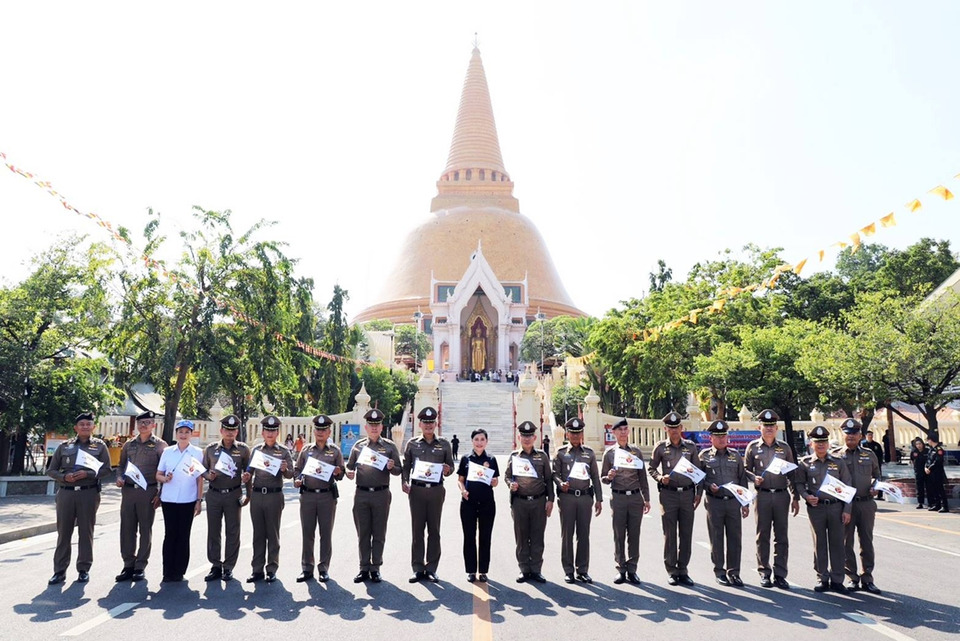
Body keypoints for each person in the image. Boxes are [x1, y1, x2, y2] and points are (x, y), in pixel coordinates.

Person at [47, 411, 113, 585]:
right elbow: (51, 470)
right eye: (81, 424)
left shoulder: (100, 446)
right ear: (75, 428)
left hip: (88, 493)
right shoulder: (64, 446)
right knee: (64, 533)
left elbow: (107, 469)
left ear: (93, 427)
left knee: (86, 532)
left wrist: (88, 474)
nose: (85, 427)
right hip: (66, 493)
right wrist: (64, 477)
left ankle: (83, 569)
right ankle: (59, 571)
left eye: (88, 424)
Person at [743, 409, 799, 589]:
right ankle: (764, 572)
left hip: (782, 495)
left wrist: (795, 497)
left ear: (776, 428)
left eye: (772, 426)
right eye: (765, 425)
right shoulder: (752, 447)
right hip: (763, 495)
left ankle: (780, 574)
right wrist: (754, 478)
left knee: (781, 536)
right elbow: (745, 470)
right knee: (763, 535)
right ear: (759, 427)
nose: (769, 428)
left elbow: (792, 473)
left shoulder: (785, 448)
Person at [345, 408, 402, 583]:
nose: (374, 428)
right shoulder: (358, 446)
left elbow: (399, 470)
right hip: (361, 493)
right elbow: (349, 466)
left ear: (381, 427)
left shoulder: (390, 446)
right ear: (366, 427)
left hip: (381, 494)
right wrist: (348, 472)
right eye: (371, 425)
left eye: (377, 424)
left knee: (379, 532)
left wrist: (392, 467)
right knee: (363, 532)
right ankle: (363, 567)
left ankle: (375, 567)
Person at [794, 425, 852, 593]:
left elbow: (848, 486)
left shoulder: (838, 462)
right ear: (811, 444)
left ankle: (837, 579)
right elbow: (799, 483)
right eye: (817, 442)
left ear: (828, 444)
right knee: (819, 543)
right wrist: (806, 496)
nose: (821, 445)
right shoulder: (805, 463)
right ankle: (822, 577)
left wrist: (847, 509)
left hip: (836, 507)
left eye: (823, 442)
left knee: (837, 544)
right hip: (816, 508)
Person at [648, 411, 703, 586]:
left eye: (677, 427)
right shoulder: (660, 447)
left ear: (682, 428)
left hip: (687, 494)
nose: (674, 431)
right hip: (668, 495)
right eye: (671, 428)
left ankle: (683, 570)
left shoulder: (691, 447)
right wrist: (660, 478)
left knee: (686, 533)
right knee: (670, 534)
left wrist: (698, 493)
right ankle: (672, 570)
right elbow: (651, 468)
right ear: (666, 429)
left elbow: (698, 472)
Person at [402, 406, 454, 583]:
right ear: (420, 424)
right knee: (417, 530)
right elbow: (406, 466)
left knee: (434, 530)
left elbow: (450, 467)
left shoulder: (444, 444)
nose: (428, 425)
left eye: (431, 422)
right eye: (425, 422)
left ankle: (431, 568)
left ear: (435, 424)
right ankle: (418, 568)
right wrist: (404, 482)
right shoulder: (412, 443)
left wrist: (447, 470)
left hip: (436, 491)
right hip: (416, 491)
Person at [115, 410, 166, 582]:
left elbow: (165, 470)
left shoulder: (160, 445)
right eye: (141, 422)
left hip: (148, 491)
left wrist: (160, 493)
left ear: (153, 425)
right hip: (129, 491)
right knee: (127, 529)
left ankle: (140, 566)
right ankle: (128, 564)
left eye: (147, 422)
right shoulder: (128, 445)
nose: (143, 425)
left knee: (145, 528)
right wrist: (119, 478)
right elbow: (121, 466)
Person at [243, 415, 294, 583]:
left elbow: (291, 474)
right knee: (258, 534)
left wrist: (285, 469)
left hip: (274, 495)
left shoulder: (284, 451)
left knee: (272, 533)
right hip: (257, 495)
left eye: (273, 431)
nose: (270, 434)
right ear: (263, 433)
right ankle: (257, 570)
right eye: (267, 431)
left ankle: (271, 569)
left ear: (277, 433)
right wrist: (246, 476)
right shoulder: (257, 450)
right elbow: (250, 470)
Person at [201, 414, 251, 582]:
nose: (230, 433)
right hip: (214, 494)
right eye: (227, 429)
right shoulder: (211, 449)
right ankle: (215, 565)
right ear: (221, 430)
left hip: (233, 494)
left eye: (233, 430)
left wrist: (248, 494)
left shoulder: (243, 449)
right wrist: (209, 476)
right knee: (213, 531)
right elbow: (202, 470)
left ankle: (228, 567)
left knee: (233, 531)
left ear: (237, 432)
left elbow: (248, 473)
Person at [294, 414, 344, 583]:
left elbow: (341, 473)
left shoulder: (335, 451)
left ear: (329, 432)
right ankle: (307, 568)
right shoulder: (306, 450)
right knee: (307, 533)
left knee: (325, 533)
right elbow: (297, 469)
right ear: (313, 431)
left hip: (326, 496)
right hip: (307, 495)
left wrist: (338, 472)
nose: (320, 432)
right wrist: (297, 479)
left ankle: (323, 568)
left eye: (324, 429)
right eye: (318, 429)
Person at [600, 418, 650, 585]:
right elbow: (603, 478)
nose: (623, 432)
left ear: (628, 431)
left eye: (625, 429)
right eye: (619, 430)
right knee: (619, 534)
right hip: (618, 497)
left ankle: (632, 569)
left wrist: (646, 498)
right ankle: (621, 568)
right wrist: (609, 477)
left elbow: (643, 477)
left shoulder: (636, 452)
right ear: (614, 432)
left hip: (635, 497)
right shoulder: (609, 453)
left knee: (634, 534)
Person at [553, 417, 602, 583]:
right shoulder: (560, 453)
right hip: (567, 497)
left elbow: (595, 477)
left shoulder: (589, 453)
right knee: (567, 535)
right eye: (572, 433)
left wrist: (599, 499)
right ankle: (568, 570)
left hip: (585, 498)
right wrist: (561, 484)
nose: (575, 436)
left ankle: (582, 570)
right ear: (567, 434)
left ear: (582, 434)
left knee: (584, 534)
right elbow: (555, 474)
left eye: (578, 433)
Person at [701, 420, 750, 587]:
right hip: (714, 502)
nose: (721, 439)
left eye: (724, 436)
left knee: (735, 538)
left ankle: (734, 572)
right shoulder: (704, 456)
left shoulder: (735, 456)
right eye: (718, 436)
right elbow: (699, 479)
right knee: (716, 538)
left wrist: (745, 503)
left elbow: (742, 480)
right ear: (711, 438)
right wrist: (709, 486)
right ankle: (720, 571)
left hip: (733, 503)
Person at [506, 420, 555, 583]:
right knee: (521, 537)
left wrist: (550, 500)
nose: (526, 439)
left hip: (538, 501)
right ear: (519, 437)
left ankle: (536, 569)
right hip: (519, 502)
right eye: (524, 436)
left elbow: (548, 479)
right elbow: (507, 476)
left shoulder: (542, 456)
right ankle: (524, 569)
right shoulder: (514, 456)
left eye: (529, 436)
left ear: (535, 438)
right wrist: (510, 484)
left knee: (537, 536)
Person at [156, 419, 204, 583]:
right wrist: (165, 479)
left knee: (183, 535)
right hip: (169, 499)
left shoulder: (197, 452)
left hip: (188, 499)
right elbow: (158, 474)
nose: (183, 435)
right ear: (176, 433)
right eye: (180, 432)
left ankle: (179, 571)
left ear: (191, 434)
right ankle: (167, 571)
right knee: (170, 534)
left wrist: (199, 500)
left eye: (187, 432)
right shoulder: (167, 452)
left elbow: (199, 479)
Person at [836, 418, 882, 593]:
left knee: (867, 542)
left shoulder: (869, 454)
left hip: (865, 503)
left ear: (860, 435)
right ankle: (852, 577)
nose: (851, 436)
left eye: (854, 433)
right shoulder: (835, 455)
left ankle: (867, 577)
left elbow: (877, 475)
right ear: (842, 435)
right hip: (844, 506)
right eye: (848, 433)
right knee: (846, 542)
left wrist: (875, 486)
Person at [457, 428, 500, 583]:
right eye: (476, 439)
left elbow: (495, 481)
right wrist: (463, 491)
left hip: (487, 503)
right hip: (468, 503)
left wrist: (494, 482)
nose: (479, 442)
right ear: (472, 441)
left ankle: (483, 571)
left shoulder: (491, 459)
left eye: (482, 439)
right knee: (469, 537)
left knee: (485, 537)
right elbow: (460, 480)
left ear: (486, 442)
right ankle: (470, 570)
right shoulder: (465, 459)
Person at [924, 431, 950, 513]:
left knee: (940, 489)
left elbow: (938, 461)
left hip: (937, 473)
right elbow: (928, 460)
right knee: (934, 489)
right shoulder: (931, 450)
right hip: (930, 473)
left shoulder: (939, 450)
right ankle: (937, 504)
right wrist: (925, 467)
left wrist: (929, 468)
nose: (927, 442)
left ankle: (944, 506)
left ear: (931, 440)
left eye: (928, 440)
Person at [863, 430, 885, 500]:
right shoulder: (863, 444)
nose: (870, 436)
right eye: (869, 435)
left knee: (878, 479)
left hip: (876, 465)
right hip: (865, 465)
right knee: (866, 479)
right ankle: (867, 494)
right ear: (866, 436)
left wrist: (879, 463)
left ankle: (880, 495)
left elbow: (880, 455)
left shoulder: (876, 445)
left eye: (871, 435)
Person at [909, 437, 928, 509]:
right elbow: (912, 460)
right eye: (917, 444)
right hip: (918, 471)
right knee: (919, 487)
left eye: (920, 444)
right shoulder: (914, 452)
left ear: (922, 444)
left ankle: (931, 502)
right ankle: (920, 502)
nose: (919, 445)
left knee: (929, 487)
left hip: (927, 471)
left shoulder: (927, 451)